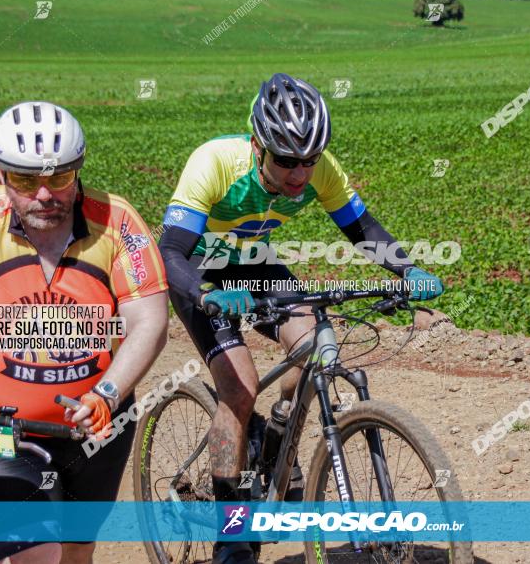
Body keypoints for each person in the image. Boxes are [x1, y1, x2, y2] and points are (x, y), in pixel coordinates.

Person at [159, 73, 443, 564]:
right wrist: (207, 292)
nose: (299, 176)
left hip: (258, 265)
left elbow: (361, 228)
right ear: (256, 145)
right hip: (202, 273)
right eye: (286, 161)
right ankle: (232, 537)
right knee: (240, 388)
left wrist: (406, 268)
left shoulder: (320, 170)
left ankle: (275, 440)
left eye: (308, 162)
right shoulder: (215, 162)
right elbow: (170, 251)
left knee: (313, 340)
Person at [0, 101, 169, 564]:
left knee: (77, 552)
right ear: (2, 175)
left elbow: (150, 319)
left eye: (59, 177)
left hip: (97, 428)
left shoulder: (118, 221)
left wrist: (107, 393)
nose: (44, 194)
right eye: (26, 180)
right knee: (35, 557)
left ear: (79, 169)